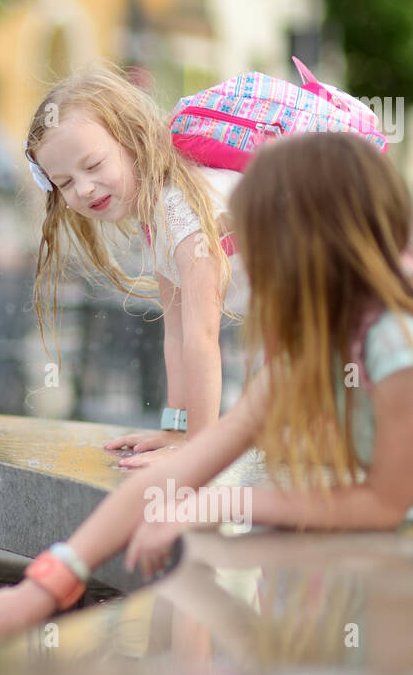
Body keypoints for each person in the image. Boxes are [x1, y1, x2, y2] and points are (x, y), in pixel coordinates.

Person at [0, 134, 413, 646]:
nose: (235, 248)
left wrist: (218, 505)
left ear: (302, 243)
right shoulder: (316, 344)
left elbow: (382, 504)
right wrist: (45, 586)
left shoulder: (403, 340)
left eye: (246, 231)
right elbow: (186, 468)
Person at [26, 62, 248, 463]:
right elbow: (176, 334)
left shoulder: (182, 210)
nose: (84, 188)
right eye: (64, 182)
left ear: (133, 140)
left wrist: (195, 453)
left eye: (92, 165)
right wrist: (174, 432)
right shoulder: (158, 215)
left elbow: (202, 337)